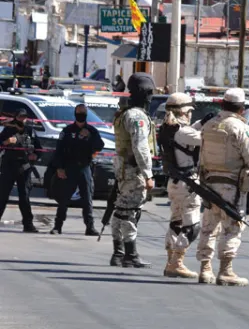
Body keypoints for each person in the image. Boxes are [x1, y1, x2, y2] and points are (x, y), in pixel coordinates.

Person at [197, 88, 249, 284]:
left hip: (209, 184)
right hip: (232, 187)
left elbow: (201, 157)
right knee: (232, 227)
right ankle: (226, 270)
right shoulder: (241, 129)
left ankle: (205, 269)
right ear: (241, 109)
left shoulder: (209, 126)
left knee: (209, 227)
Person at [111, 73, 157, 268]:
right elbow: (141, 147)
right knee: (130, 211)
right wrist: (148, 174)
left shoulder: (124, 113)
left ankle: (119, 253)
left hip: (123, 168)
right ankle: (130, 254)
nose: (152, 96)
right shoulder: (137, 116)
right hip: (133, 169)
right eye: (150, 92)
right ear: (143, 93)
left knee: (121, 209)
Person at [157, 92, 205, 279]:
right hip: (188, 183)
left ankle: (171, 261)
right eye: (189, 111)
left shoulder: (167, 128)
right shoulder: (184, 132)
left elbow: (186, 133)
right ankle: (177, 262)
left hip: (174, 182)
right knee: (192, 226)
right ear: (184, 111)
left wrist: (202, 123)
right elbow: (203, 139)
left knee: (176, 222)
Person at [50, 104, 105, 235]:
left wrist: (90, 137)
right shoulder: (68, 131)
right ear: (75, 114)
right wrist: (59, 168)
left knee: (87, 198)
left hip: (84, 167)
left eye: (83, 113)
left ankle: (90, 227)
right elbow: (59, 151)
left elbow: (100, 145)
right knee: (64, 199)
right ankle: (58, 226)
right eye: (79, 112)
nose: (81, 115)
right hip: (69, 167)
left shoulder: (91, 130)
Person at [0, 109, 41, 232]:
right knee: (2, 196)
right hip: (9, 166)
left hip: (24, 167)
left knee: (25, 197)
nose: (22, 119)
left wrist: (35, 156)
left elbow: (39, 149)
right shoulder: (8, 130)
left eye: (24, 117)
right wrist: (6, 142)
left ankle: (28, 224)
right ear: (15, 117)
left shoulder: (30, 131)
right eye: (20, 117)